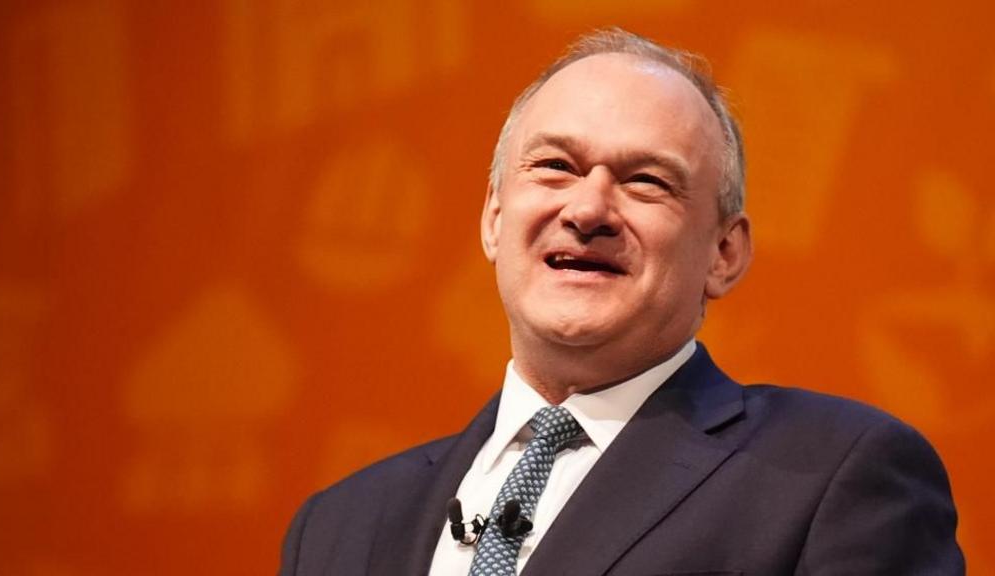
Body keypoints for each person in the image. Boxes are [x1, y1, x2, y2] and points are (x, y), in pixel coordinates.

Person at [279, 28, 964, 575]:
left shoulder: (834, 475)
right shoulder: (339, 527)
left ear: (724, 253)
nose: (588, 210)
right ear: (493, 219)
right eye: (556, 167)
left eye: (646, 181)